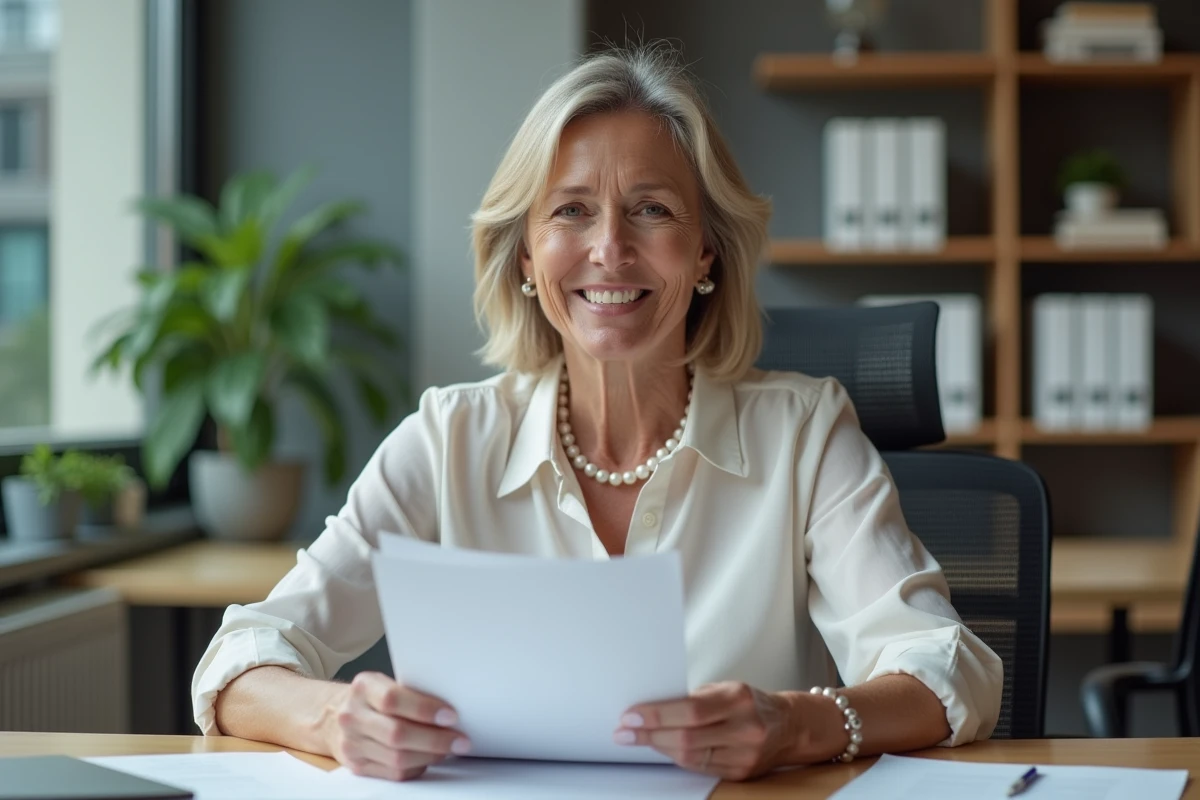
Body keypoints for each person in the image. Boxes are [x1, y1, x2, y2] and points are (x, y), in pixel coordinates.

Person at [193, 43, 1003, 783]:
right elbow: (239, 659)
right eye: (571, 210)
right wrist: (335, 719)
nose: (609, 249)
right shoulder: (447, 441)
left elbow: (948, 670)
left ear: (706, 250)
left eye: (652, 209)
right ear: (525, 253)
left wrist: (796, 724)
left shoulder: (804, 432)